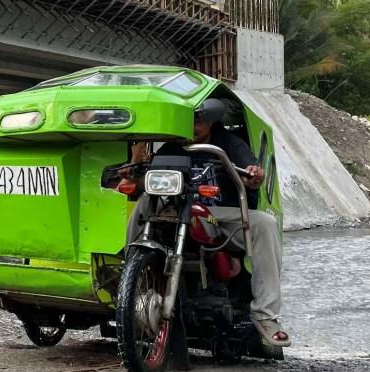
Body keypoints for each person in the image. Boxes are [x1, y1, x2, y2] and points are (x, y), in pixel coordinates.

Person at [123, 98, 290, 347]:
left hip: (220, 213)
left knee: (265, 223)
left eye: (198, 121)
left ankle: (265, 315)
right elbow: (143, 182)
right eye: (187, 121)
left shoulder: (230, 143)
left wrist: (254, 175)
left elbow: (251, 172)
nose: (192, 127)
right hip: (178, 209)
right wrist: (134, 168)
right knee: (145, 201)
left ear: (211, 121)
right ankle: (129, 281)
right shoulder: (170, 148)